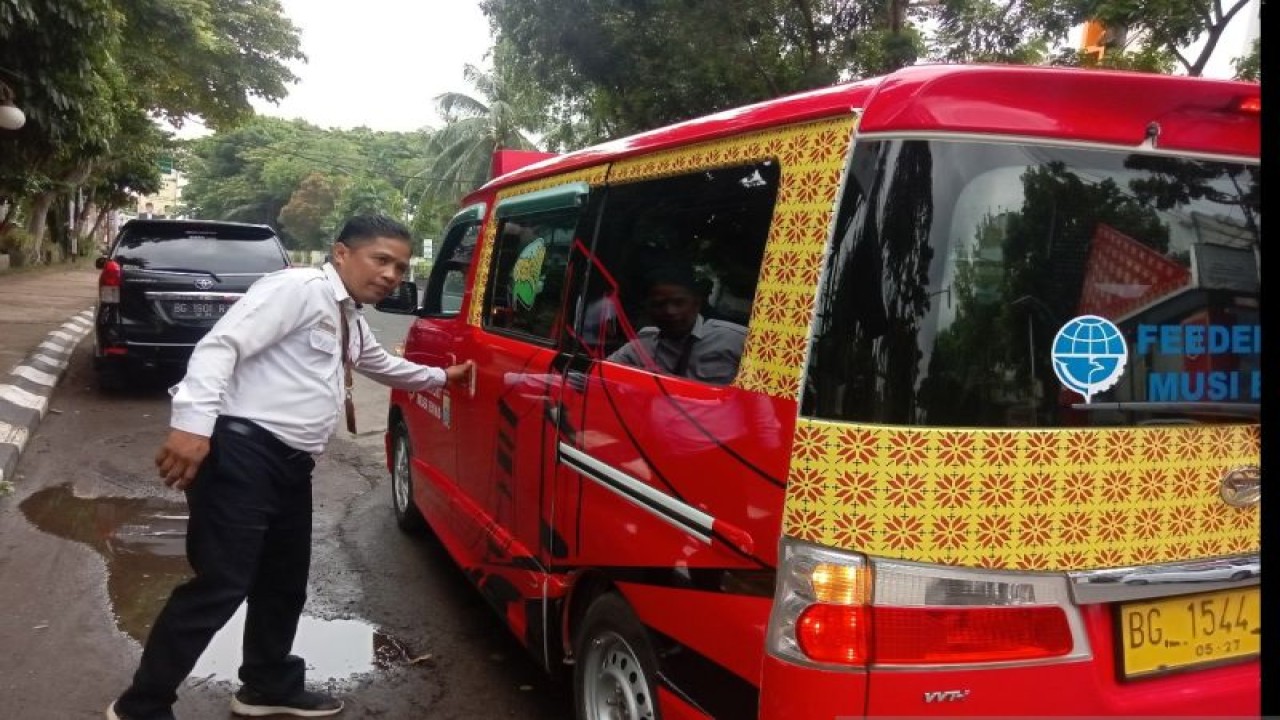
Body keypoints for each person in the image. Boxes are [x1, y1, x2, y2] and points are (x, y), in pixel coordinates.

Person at [106, 215, 474, 720]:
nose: (391, 274)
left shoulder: (349, 315)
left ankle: (266, 685)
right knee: (221, 583)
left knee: (283, 580)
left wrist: (442, 375)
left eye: (400, 266)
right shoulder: (296, 289)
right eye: (381, 259)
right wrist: (191, 426)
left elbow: (381, 366)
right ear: (341, 253)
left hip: (288, 465)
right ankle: (142, 705)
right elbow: (222, 345)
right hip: (241, 453)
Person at [607, 262, 746, 386]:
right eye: (659, 304)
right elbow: (599, 373)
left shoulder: (735, 339)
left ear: (696, 304)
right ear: (648, 309)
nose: (670, 311)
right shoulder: (644, 346)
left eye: (679, 303)